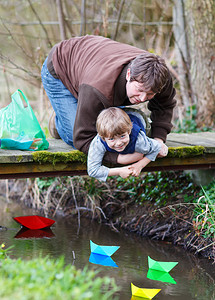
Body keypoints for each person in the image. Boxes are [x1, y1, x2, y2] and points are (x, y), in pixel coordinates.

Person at [41, 35, 176, 166]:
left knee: (121, 129)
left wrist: (159, 139)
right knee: (73, 134)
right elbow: (82, 139)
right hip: (60, 65)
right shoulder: (97, 88)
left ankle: (81, 111)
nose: (142, 99)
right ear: (129, 74)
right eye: (139, 90)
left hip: (91, 64)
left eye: (150, 94)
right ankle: (59, 121)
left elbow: (164, 105)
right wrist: (119, 158)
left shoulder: (159, 77)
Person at [87, 107, 166, 181]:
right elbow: (92, 170)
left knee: (146, 144)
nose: (118, 143)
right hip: (121, 117)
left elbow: (157, 146)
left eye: (122, 136)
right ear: (103, 138)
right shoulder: (98, 142)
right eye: (111, 139)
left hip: (139, 118)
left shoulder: (138, 139)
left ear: (129, 132)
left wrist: (140, 165)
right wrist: (119, 171)